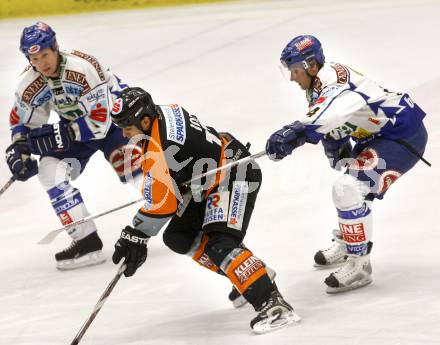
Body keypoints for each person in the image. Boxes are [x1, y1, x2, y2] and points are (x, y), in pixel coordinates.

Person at [109, 87, 301, 333]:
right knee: (179, 236)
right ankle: (251, 273)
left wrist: (135, 234)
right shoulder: (163, 114)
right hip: (207, 179)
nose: (124, 135)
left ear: (144, 120)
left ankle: (274, 305)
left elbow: (163, 203)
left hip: (234, 173)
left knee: (219, 244)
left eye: (127, 127)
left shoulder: (158, 146)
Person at [266, 35, 428, 293]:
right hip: (379, 136)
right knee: (350, 190)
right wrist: (334, 145)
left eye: (295, 70)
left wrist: (293, 133)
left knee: (349, 189)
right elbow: (335, 120)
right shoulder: (319, 83)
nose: (293, 77)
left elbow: (334, 113)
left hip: (401, 135)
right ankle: (350, 241)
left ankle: (360, 264)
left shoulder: (334, 82)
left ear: (310, 64)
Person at [5, 22, 142, 270]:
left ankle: (183, 213)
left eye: (45, 54)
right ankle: (86, 240)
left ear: (56, 47)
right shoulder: (30, 81)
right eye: (35, 58)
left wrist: (61, 134)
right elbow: (22, 121)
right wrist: (20, 148)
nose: (42, 63)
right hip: (79, 130)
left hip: (118, 121)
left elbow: (101, 121)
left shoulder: (83, 68)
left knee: (134, 170)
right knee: (49, 171)